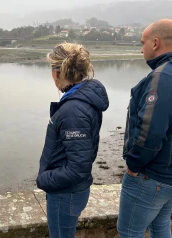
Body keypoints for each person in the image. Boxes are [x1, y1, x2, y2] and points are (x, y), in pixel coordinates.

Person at [117, 19, 172, 237]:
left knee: (129, 231)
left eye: (143, 42)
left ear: (155, 43)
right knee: (160, 225)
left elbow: (150, 131)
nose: (141, 48)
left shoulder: (164, 76)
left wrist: (133, 164)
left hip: (153, 175)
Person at [36, 42, 109, 237]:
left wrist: (44, 179)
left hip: (64, 194)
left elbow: (78, 168)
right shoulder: (82, 100)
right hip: (69, 192)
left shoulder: (73, 110)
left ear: (57, 72)